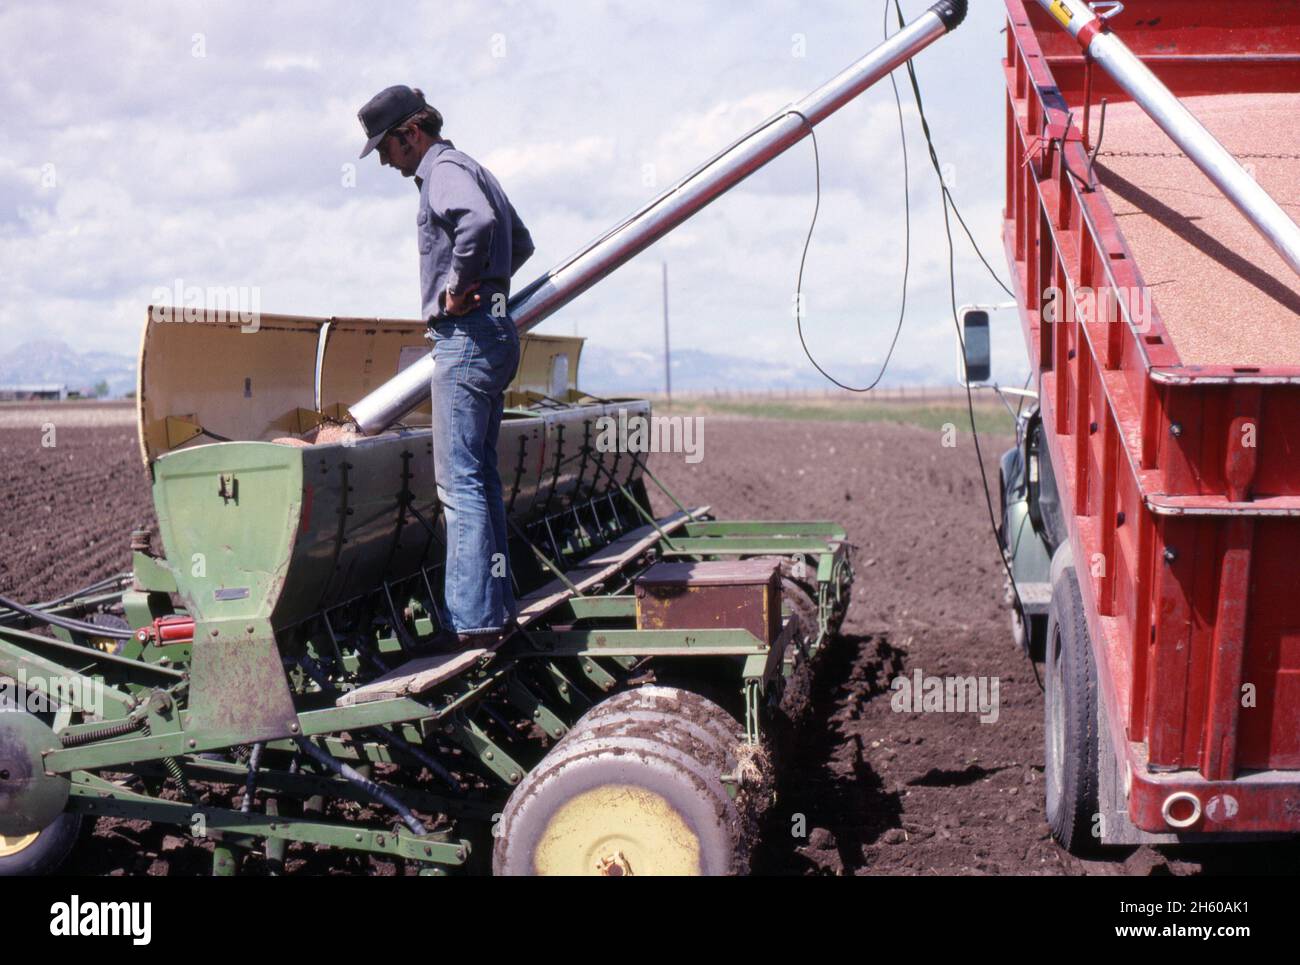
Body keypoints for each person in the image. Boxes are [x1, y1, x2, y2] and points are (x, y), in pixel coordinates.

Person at [358, 85, 535, 646]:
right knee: (480, 478)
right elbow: (521, 243)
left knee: (458, 485)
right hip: (497, 334)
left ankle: (470, 620)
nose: (386, 161)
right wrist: (491, 279)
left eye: (386, 148)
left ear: (411, 133)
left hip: (466, 338)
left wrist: (458, 289)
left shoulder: (443, 172)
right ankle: (494, 608)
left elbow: (477, 221)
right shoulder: (473, 167)